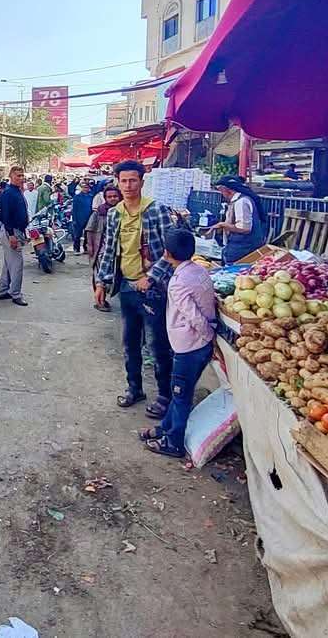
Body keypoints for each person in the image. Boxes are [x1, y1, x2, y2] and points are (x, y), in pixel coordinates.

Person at [94, 160, 183, 416]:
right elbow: (109, 249)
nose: (128, 186)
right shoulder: (115, 213)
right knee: (130, 343)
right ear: (117, 183)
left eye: (133, 180)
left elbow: (171, 253)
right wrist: (102, 281)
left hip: (152, 290)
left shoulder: (155, 210)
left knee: (157, 346)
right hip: (126, 287)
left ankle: (165, 396)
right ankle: (135, 388)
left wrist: (151, 277)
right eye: (124, 181)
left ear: (142, 183)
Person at [140, 228, 217, 458]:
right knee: (179, 393)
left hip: (189, 347)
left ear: (166, 253)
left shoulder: (178, 282)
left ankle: (173, 442)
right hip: (197, 346)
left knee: (181, 395)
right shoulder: (199, 271)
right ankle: (164, 428)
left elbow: (193, 316)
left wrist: (206, 337)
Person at [210, 175, 268, 264]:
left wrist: (223, 225)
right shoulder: (235, 201)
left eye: (221, 191)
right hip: (239, 245)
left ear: (227, 190)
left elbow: (244, 228)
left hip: (244, 248)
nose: (221, 194)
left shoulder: (241, 202)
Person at [0, 165, 30, 306]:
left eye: (22, 175)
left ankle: (2, 290)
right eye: (18, 175)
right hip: (11, 231)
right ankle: (15, 293)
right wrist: (11, 235)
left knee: (8, 263)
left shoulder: (17, 191)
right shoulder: (8, 193)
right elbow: (5, 216)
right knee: (17, 264)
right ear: (11, 176)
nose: (21, 178)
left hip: (17, 231)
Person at [85, 183, 122, 311]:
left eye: (115, 196)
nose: (113, 199)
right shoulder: (99, 212)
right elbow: (90, 229)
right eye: (109, 196)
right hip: (101, 249)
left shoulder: (124, 211)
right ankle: (100, 301)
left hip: (119, 250)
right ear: (105, 198)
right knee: (100, 276)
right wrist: (90, 247)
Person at [70, 179, 93, 254]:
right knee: (77, 235)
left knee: (87, 235)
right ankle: (76, 249)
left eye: (87, 187)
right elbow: (74, 209)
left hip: (88, 218)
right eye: (84, 187)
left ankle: (85, 248)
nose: (85, 189)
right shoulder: (77, 197)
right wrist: (74, 219)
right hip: (79, 218)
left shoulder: (91, 196)